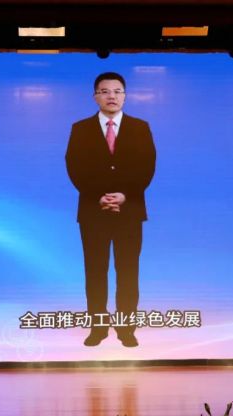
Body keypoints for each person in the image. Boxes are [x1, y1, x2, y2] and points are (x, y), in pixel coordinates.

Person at [66, 72, 156, 347]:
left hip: (130, 212)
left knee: (128, 271)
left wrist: (125, 195)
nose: (111, 96)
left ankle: (126, 329)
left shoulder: (140, 127)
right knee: (95, 272)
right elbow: (74, 167)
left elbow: (147, 167)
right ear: (95, 96)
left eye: (117, 91)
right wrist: (99, 197)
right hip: (93, 212)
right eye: (104, 91)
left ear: (125, 96)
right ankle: (98, 328)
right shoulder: (80, 128)